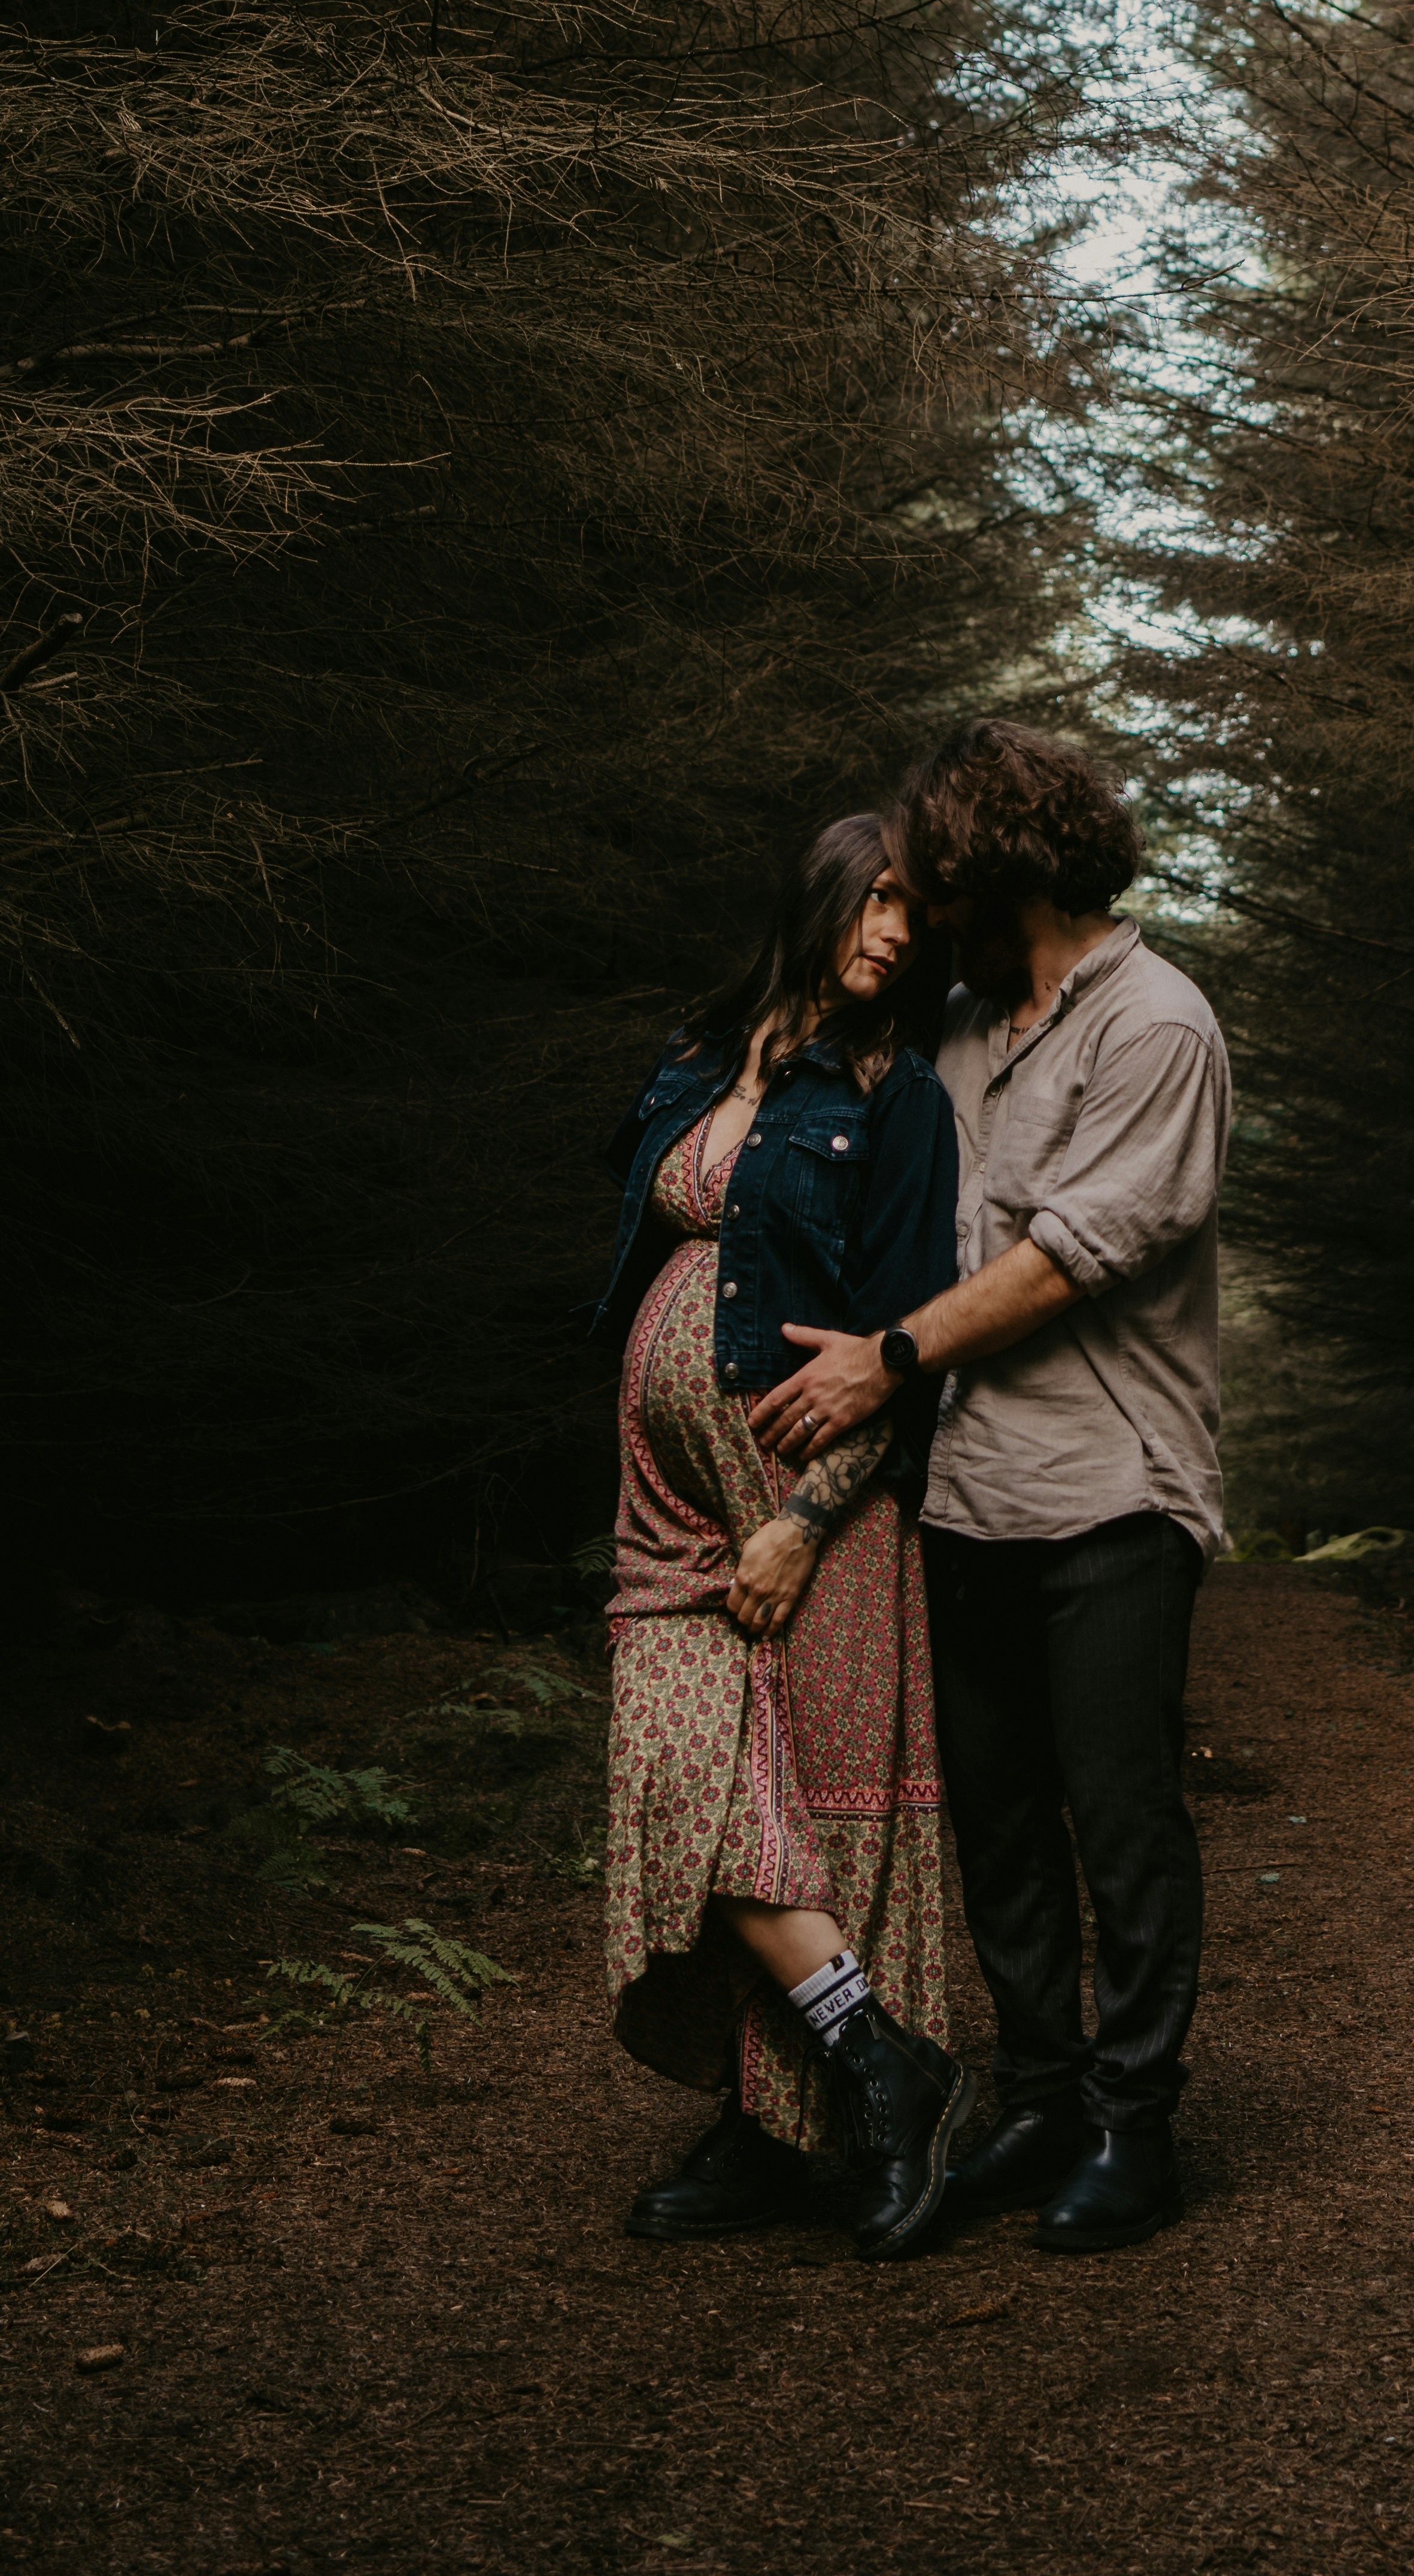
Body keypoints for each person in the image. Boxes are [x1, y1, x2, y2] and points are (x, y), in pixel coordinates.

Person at [749, 720, 1231, 2256]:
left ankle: (1136, 2130)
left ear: (993, 863)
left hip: (1113, 1494)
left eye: (935, 874)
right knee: (1003, 1828)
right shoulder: (960, 1025)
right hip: (964, 1498)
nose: (923, 902)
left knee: (1122, 1821)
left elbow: (1072, 1253)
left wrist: (883, 1359)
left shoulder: (1157, 1023)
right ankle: (1038, 2099)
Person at [593, 813, 972, 2257]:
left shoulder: (900, 1098)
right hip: (664, 1492)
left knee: (810, 1811)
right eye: (873, 905)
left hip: (809, 1495)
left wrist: (809, 1520)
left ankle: (790, 2121)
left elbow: (900, 1341)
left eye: (913, 924)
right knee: (682, 1768)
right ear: (821, 897)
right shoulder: (699, 1058)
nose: (889, 938)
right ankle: (883, 2069)